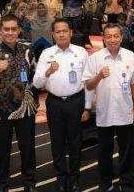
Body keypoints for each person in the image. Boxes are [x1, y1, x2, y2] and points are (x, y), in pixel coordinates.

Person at [0, 15, 39, 192]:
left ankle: (29, 183)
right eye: (6, 29)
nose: (10, 32)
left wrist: (34, 102)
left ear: (19, 30)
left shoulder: (28, 50)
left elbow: (34, 78)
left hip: (25, 110)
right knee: (2, 151)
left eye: (14, 29)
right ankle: (1, 185)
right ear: (0, 30)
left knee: (28, 148)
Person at [33, 19, 92, 192]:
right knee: (57, 142)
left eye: (64, 31)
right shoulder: (46, 54)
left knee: (75, 142)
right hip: (55, 103)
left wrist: (87, 107)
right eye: (57, 31)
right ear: (53, 34)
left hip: (76, 101)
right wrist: (48, 71)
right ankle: (60, 177)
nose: (61, 34)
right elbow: (37, 83)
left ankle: (74, 178)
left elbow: (88, 82)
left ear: (71, 32)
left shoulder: (81, 52)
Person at [83, 24, 134, 192]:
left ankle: (126, 182)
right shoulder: (95, 58)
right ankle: (106, 182)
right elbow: (88, 85)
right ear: (104, 38)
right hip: (104, 112)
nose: (113, 39)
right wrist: (99, 75)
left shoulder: (130, 56)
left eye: (116, 36)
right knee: (104, 152)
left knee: (126, 150)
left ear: (121, 38)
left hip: (125, 111)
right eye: (109, 36)